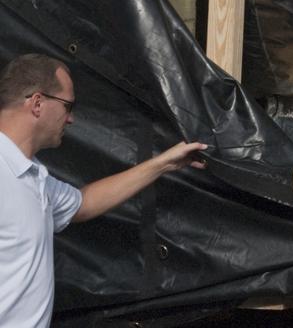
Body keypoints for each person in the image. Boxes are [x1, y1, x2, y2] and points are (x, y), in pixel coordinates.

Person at [0, 53, 207, 328]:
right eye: (67, 106)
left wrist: (163, 164)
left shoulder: (34, 176)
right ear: (38, 103)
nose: (70, 119)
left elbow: (83, 203)